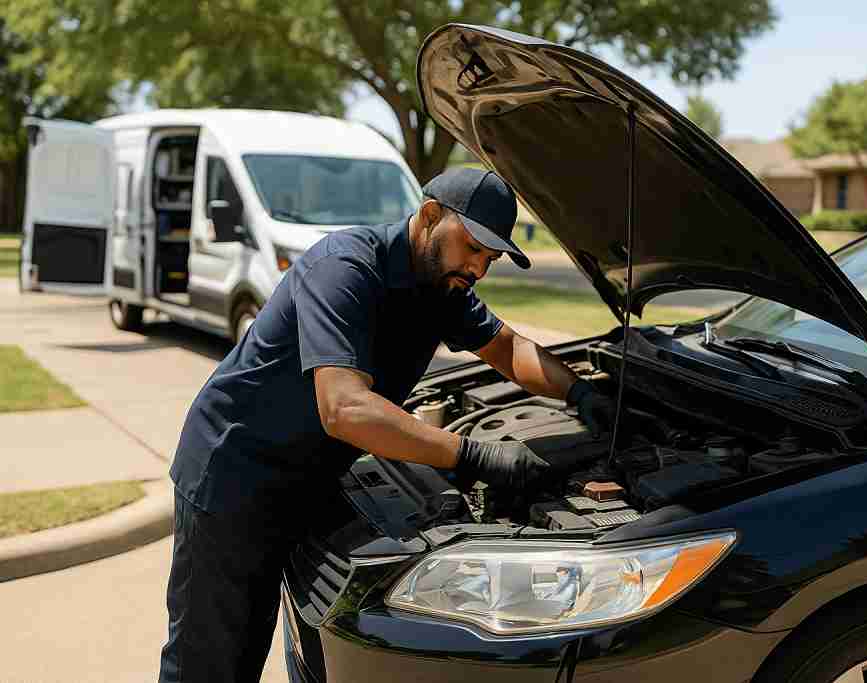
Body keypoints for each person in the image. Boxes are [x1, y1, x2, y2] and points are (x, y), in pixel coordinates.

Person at [158, 167, 616, 682]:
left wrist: (579, 391)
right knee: (208, 663)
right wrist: (473, 455)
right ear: (428, 216)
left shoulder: (442, 290)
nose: (478, 269)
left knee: (265, 642)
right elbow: (345, 408)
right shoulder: (345, 268)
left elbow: (508, 348)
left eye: (489, 258)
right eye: (471, 247)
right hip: (234, 479)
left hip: (307, 482)